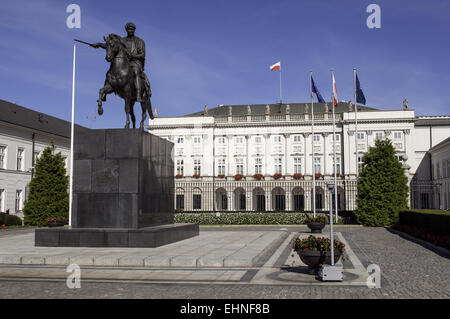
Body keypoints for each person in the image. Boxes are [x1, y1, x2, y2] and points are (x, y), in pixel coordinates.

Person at [92, 22, 149, 102]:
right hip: (124, 62)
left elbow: (142, 54)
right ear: (126, 30)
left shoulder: (140, 41)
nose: (130, 30)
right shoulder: (122, 40)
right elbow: (111, 46)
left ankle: (138, 95)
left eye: (132, 29)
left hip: (135, 62)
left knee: (135, 72)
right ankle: (104, 94)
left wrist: (133, 56)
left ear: (134, 30)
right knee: (109, 72)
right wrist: (99, 44)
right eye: (129, 29)